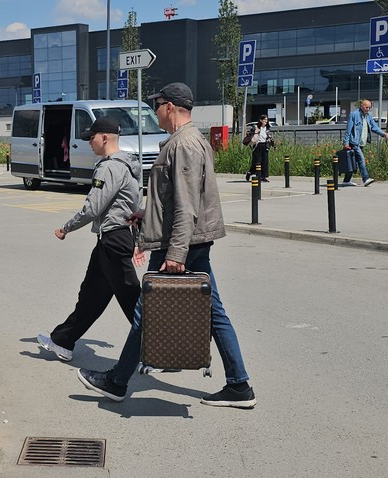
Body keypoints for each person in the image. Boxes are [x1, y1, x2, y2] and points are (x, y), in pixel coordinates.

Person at [76, 82, 257, 408]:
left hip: (181, 244)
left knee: (148, 314)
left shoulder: (184, 145)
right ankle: (239, 384)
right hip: (188, 241)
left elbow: (187, 204)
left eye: (156, 105)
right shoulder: (186, 141)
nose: (154, 111)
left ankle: (117, 381)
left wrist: (175, 253)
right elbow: (177, 198)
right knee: (213, 313)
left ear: (170, 106)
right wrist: (148, 214)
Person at [37, 117, 143, 362]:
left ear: (105, 138)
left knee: (132, 300)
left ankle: (159, 352)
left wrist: (66, 228)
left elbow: (93, 208)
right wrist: (137, 240)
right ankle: (62, 341)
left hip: (113, 241)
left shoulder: (109, 167)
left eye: (92, 138)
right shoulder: (128, 165)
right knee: (91, 297)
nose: (89, 143)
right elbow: (136, 205)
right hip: (113, 239)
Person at [342, 99, 388, 187]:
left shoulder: (368, 116)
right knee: (361, 159)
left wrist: (383, 133)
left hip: (361, 143)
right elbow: (348, 130)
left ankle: (346, 180)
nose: (368, 109)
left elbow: (374, 127)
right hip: (354, 142)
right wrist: (346, 143)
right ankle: (366, 179)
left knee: (354, 162)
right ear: (362, 106)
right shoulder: (354, 115)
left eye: (369, 107)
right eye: (367, 107)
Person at [244, 115, 274, 183]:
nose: (266, 121)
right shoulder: (256, 127)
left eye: (266, 120)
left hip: (265, 145)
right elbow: (251, 136)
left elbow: (270, 137)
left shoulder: (267, 128)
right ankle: (250, 173)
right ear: (261, 120)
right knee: (257, 161)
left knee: (265, 161)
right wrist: (256, 131)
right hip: (257, 145)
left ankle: (263, 176)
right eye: (264, 120)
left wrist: (272, 145)